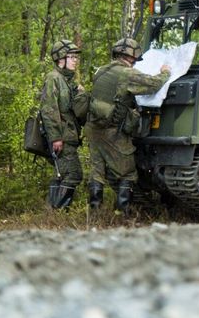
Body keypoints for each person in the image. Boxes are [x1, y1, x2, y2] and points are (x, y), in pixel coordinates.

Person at [86, 37, 170, 214]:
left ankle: (94, 211)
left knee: (97, 169)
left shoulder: (100, 71)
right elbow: (154, 85)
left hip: (93, 127)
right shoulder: (127, 73)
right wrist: (165, 72)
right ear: (130, 58)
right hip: (112, 131)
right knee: (128, 172)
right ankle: (125, 211)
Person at [39, 39, 88, 209]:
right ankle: (58, 212)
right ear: (61, 59)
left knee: (63, 174)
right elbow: (49, 110)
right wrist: (56, 138)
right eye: (72, 57)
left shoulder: (69, 81)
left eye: (76, 57)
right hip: (62, 137)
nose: (75, 60)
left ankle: (52, 211)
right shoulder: (53, 78)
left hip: (69, 136)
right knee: (74, 174)